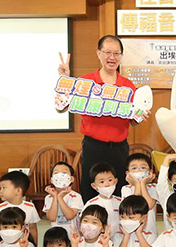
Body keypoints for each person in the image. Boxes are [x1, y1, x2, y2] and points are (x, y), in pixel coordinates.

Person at [57, 35, 148, 200]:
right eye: (107, 52)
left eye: (116, 53)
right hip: (94, 147)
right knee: (90, 190)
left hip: (119, 148)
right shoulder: (85, 82)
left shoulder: (127, 86)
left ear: (121, 56)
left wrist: (140, 116)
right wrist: (66, 81)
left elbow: (132, 122)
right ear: (98, 53)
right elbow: (61, 108)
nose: (112, 57)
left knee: (121, 191)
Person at [0, 171, 41, 245]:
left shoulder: (30, 207)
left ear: (18, 191)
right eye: (0, 188)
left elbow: (32, 228)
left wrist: (34, 245)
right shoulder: (0, 208)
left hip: (23, 245)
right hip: (4, 245)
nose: (0, 191)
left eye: (4, 188)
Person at [121, 153, 159, 236]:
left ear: (150, 172)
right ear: (128, 173)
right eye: (134, 168)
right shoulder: (126, 188)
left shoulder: (153, 187)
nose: (139, 171)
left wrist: (143, 184)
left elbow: (149, 205)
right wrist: (137, 185)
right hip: (132, 231)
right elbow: (133, 207)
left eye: (143, 168)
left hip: (150, 231)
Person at [43, 161, 84, 236]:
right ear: (52, 180)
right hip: (56, 236)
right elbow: (52, 218)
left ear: (71, 179)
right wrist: (55, 197)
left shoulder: (75, 196)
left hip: (73, 235)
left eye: (64, 173)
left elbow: (70, 216)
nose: (60, 176)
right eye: (56, 173)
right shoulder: (49, 197)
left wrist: (60, 198)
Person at [83, 163, 122, 239]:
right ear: (94, 186)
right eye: (102, 182)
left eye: (110, 180)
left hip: (121, 240)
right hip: (100, 241)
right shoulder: (91, 203)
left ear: (115, 181)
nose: (107, 184)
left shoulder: (121, 201)